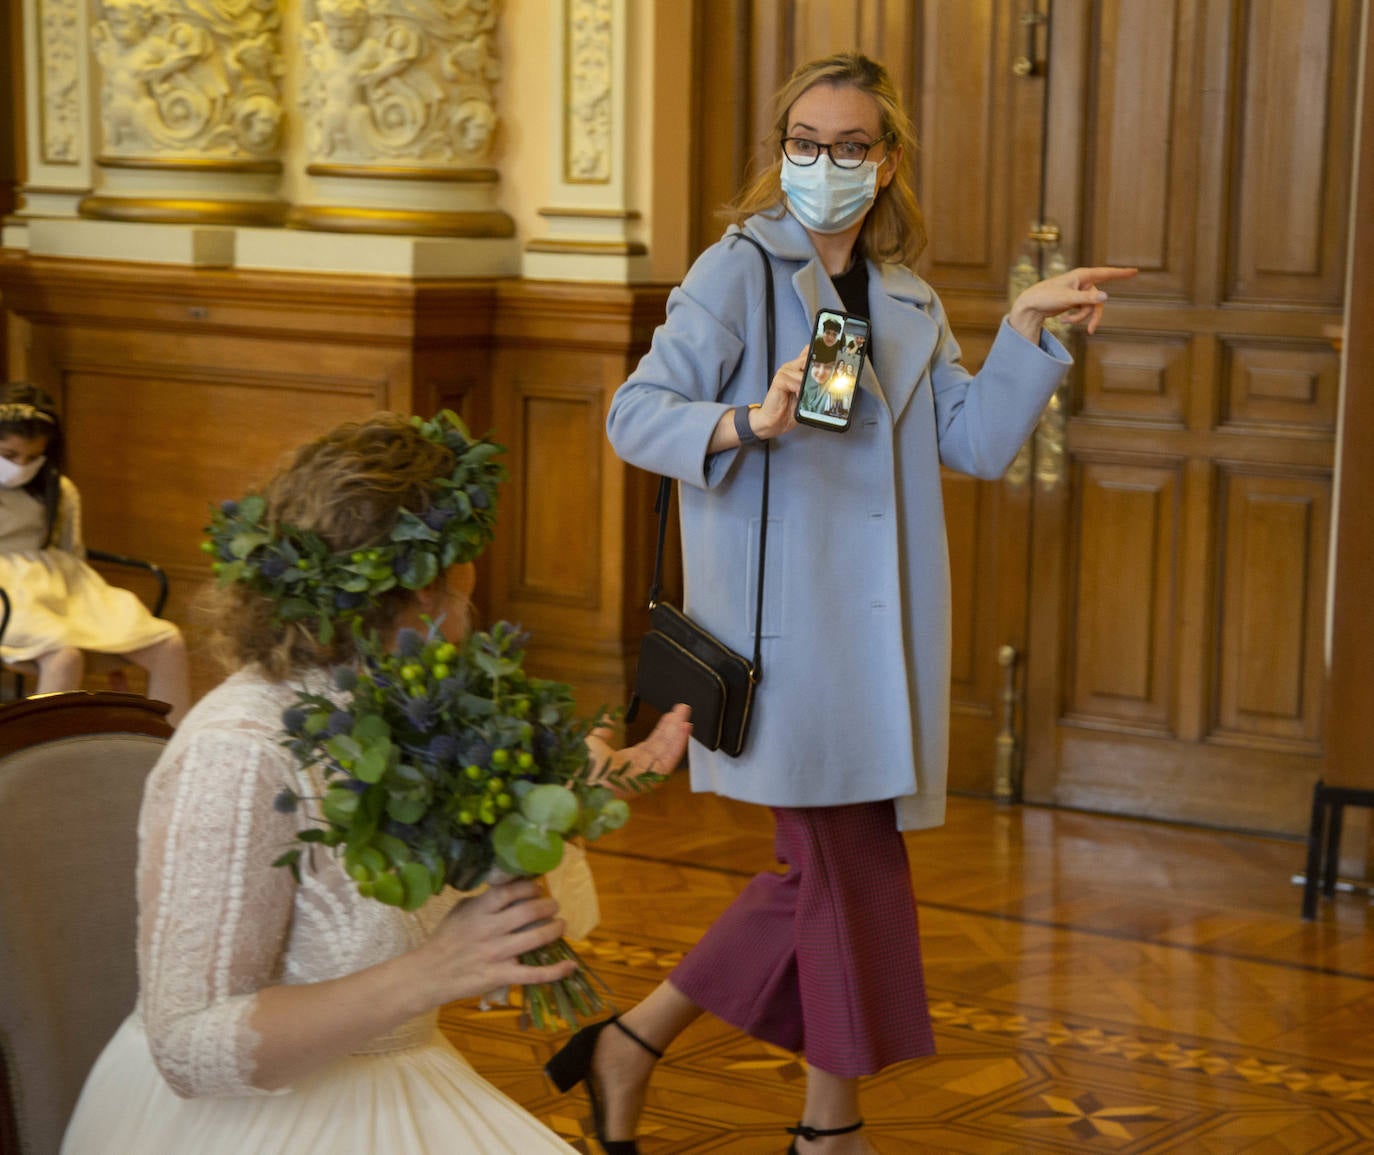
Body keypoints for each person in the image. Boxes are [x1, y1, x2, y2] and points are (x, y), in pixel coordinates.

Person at [557, 52, 1137, 1155]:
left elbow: (969, 440)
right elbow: (636, 415)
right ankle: (826, 1131)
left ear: (888, 160)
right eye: (805, 144)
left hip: (879, 645)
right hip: (781, 641)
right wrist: (746, 423)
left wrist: (1026, 329)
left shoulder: (909, 296)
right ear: (784, 152)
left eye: (849, 146)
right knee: (844, 872)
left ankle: (631, 1048)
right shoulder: (737, 270)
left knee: (818, 874)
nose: (823, 165)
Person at [60, 412, 692, 1155]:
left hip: (385, 1083)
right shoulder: (241, 752)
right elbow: (188, 1048)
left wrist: (565, 790)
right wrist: (435, 969)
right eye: (457, 588)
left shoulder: (390, 706)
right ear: (399, 596)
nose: (468, 613)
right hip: (250, 1124)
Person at [0, 382, 190, 723]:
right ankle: (41, 761)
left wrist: (106, 639)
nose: (21, 467)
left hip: (55, 582)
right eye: (10, 456)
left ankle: (168, 756)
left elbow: (70, 553)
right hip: (6, 593)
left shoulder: (58, 489)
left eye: (32, 457)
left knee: (168, 641)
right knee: (63, 654)